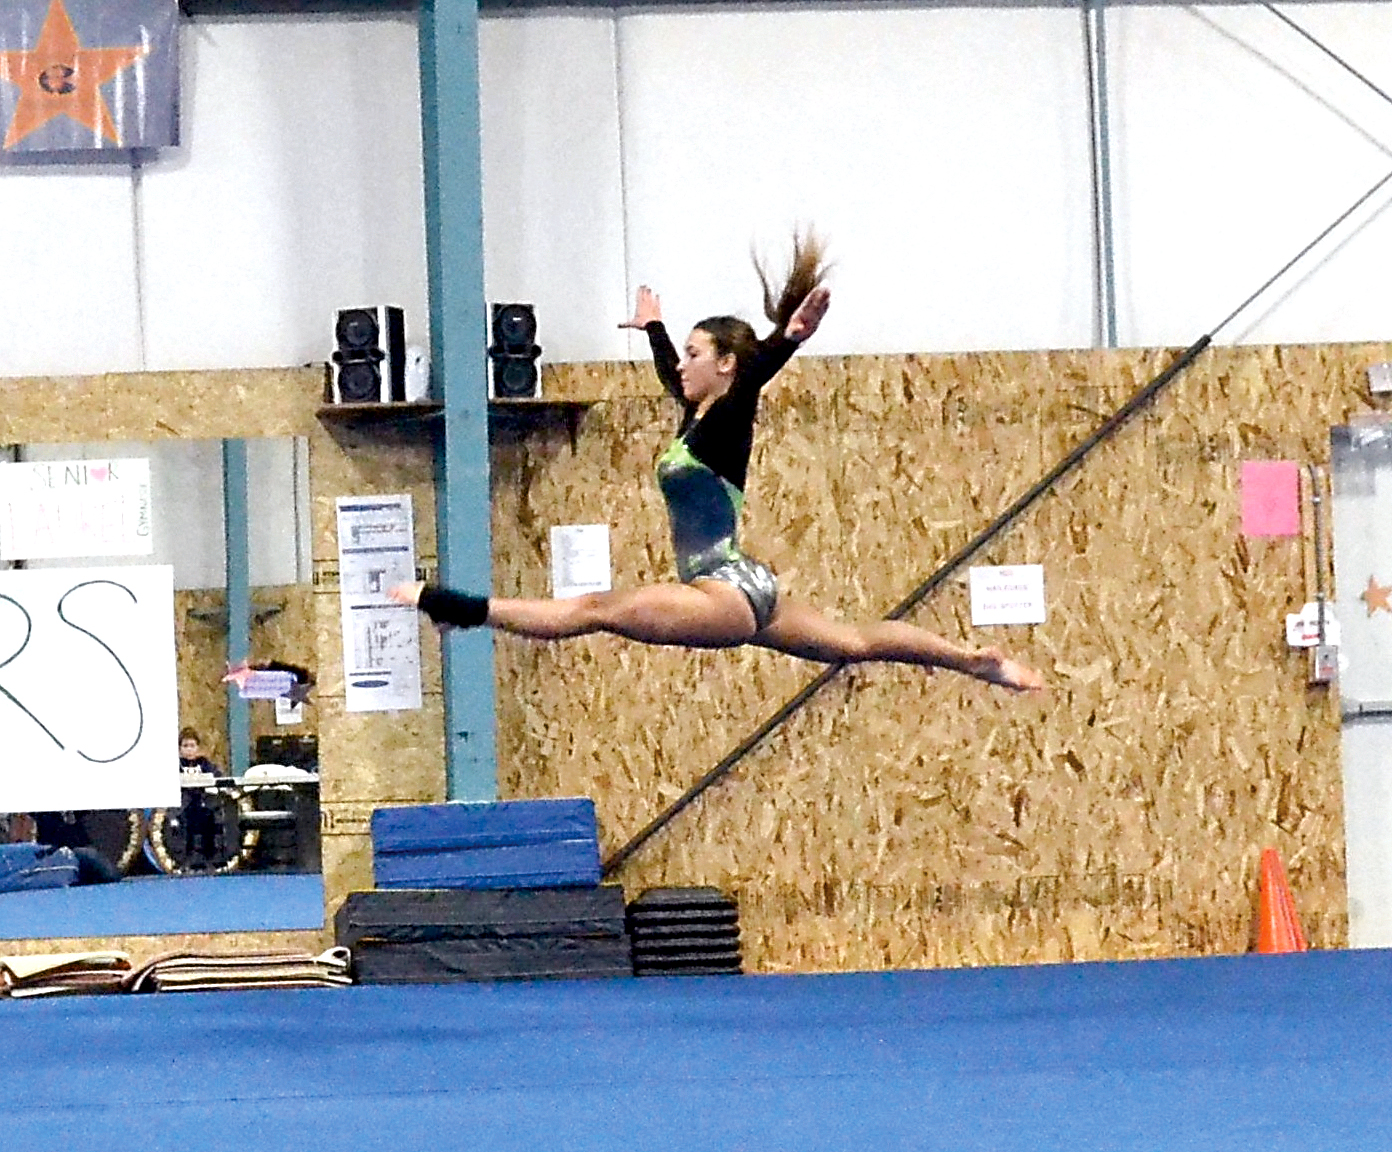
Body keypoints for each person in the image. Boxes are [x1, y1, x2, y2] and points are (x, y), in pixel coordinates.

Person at [390, 231, 1043, 693]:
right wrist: (654, 329)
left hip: (724, 593)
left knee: (592, 610)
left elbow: (754, 375)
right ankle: (972, 661)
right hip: (741, 584)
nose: (683, 362)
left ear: (727, 365)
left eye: (696, 352)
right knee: (853, 643)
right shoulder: (698, 421)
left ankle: (458, 607)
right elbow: (675, 381)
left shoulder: (731, 410)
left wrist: (787, 338)